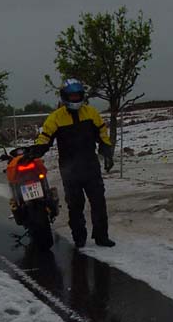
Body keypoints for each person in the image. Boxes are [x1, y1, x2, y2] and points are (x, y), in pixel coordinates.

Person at [30, 78, 116, 248]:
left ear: (82, 96)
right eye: (72, 96)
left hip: (90, 165)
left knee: (98, 201)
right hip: (69, 168)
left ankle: (101, 236)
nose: (75, 99)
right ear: (65, 97)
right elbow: (45, 137)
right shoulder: (55, 118)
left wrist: (107, 153)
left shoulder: (91, 113)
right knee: (75, 204)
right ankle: (79, 237)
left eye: (78, 95)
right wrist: (36, 151)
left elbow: (102, 133)